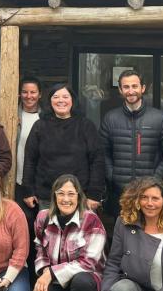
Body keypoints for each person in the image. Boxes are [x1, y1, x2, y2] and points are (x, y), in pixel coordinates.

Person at [30, 174, 107, 291]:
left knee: (81, 282)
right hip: (58, 280)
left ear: (79, 197)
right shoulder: (43, 217)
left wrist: (51, 273)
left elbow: (89, 262)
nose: (66, 199)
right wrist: (44, 272)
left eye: (71, 194)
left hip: (88, 279)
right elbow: (39, 247)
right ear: (54, 196)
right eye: (61, 193)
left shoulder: (91, 220)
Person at [22, 83, 104, 211]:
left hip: (80, 197)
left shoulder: (86, 126)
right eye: (56, 97)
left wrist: (95, 193)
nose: (61, 100)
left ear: (72, 100)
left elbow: (97, 161)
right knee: (49, 231)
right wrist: (28, 190)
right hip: (47, 197)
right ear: (50, 101)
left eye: (65, 97)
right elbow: (30, 160)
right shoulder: (40, 126)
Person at [98, 69, 163, 210]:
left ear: (142, 88)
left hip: (150, 191)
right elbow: (102, 152)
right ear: (120, 90)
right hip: (120, 191)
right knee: (122, 228)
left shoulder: (160, 118)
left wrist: (154, 178)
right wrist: (112, 176)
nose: (131, 91)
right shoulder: (110, 118)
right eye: (126, 87)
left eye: (134, 86)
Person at [14, 77, 41, 206]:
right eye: (25, 92)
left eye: (33, 92)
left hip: (40, 179)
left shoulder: (45, 118)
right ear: (19, 93)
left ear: (40, 94)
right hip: (16, 179)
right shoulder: (11, 115)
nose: (29, 96)